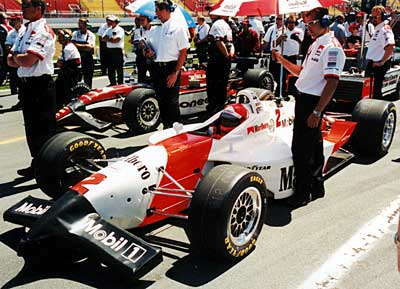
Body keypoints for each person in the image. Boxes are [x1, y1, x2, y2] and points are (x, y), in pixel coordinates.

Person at [272, 7, 345, 207]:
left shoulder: (331, 47)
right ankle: (316, 186)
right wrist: (280, 59)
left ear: (325, 21)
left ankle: (302, 193)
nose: (308, 28)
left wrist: (317, 111)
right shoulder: (316, 44)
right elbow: (302, 72)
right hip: (304, 98)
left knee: (301, 148)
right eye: (307, 24)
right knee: (314, 145)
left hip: (313, 102)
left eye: (311, 23)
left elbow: (332, 83)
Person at [8, 0, 56, 178]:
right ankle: (37, 163)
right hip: (26, 85)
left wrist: (17, 57)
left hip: (40, 85)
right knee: (31, 128)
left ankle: (49, 166)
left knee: (44, 129)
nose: (22, 9)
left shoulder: (42, 31)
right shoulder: (23, 30)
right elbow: (10, 59)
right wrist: (18, 57)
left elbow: (28, 60)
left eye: (26, 6)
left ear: (38, 9)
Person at [145, 0, 190, 128]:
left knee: (172, 102)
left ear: (164, 10)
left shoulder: (177, 27)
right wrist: (146, 52)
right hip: (157, 68)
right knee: (161, 101)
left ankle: (176, 131)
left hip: (171, 67)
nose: (156, 13)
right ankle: (166, 128)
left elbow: (183, 52)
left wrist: (175, 72)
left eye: (157, 10)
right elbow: (148, 48)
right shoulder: (154, 29)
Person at [206, 10, 234, 116]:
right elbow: (230, 44)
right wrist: (229, 55)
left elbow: (219, 42)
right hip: (224, 60)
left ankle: (214, 110)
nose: (209, 14)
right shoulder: (227, 25)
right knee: (222, 84)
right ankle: (220, 107)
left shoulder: (217, 24)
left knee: (213, 85)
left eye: (211, 12)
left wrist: (226, 56)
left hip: (217, 59)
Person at [365, 5, 395, 99]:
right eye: (371, 17)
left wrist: (381, 62)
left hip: (378, 66)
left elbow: (390, 46)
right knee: (369, 93)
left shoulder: (384, 29)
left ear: (383, 16)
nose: (373, 19)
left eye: (375, 17)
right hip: (373, 64)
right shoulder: (377, 29)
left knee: (376, 93)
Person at [56, 29, 81, 109]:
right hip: (68, 71)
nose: (58, 39)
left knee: (64, 91)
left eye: (60, 37)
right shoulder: (66, 47)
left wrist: (60, 63)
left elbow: (60, 63)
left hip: (71, 73)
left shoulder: (68, 48)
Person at [5, 14, 25, 109]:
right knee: (18, 81)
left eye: (13, 20)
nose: (11, 22)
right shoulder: (11, 33)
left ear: (19, 20)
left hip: (23, 59)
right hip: (15, 60)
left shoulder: (25, 31)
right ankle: (22, 100)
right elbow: (7, 45)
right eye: (10, 20)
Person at [262, 15, 284, 98]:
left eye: (280, 19)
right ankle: (272, 92)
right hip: (274, 54)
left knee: (281, 76)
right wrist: (261, 50)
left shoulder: (285, 29)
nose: (278, 21)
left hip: (283, 55)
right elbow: (266, 41)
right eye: (277, 19)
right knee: (273, 75)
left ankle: (280, 93)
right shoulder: (271, 29)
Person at [72, 18, 95, 88]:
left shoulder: (91, 35)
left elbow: (90, 47)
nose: (80, 25)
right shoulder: (75, 33)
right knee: (76, 77)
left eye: (82, 23)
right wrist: (84, 46)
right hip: (78, 57)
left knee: (88, 77)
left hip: (87, 59)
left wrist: (77, 45)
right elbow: (72, 45)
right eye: (79, 23)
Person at [102, 15, 125, 86]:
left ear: (116, 22)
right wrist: (111, 39)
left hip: (117, 51)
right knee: (110, 69)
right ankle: (112, 83)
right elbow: (103, 38)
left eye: (111, 21)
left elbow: (116, 40)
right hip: (109, 51)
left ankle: (120, 83)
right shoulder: (108, 29)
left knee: (119, 69)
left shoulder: (120, 29)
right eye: (109, 21)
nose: (109, 22)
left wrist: (108, 39)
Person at [132, 15, 153, 83]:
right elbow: (136, 42)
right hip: (141, 57)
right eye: (140, 20)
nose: (141, 22)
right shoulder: (138, 31)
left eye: (143, 20)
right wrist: (140, 45)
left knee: (154, 76)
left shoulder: (155, 30)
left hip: (152, 56)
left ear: (148, 20)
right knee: (141, 76)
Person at [0, 13, 13, 85]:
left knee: (3, 69)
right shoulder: (7, 28)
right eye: (6, 19)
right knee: (10, 69)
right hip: (7, 52)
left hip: (3, 52)